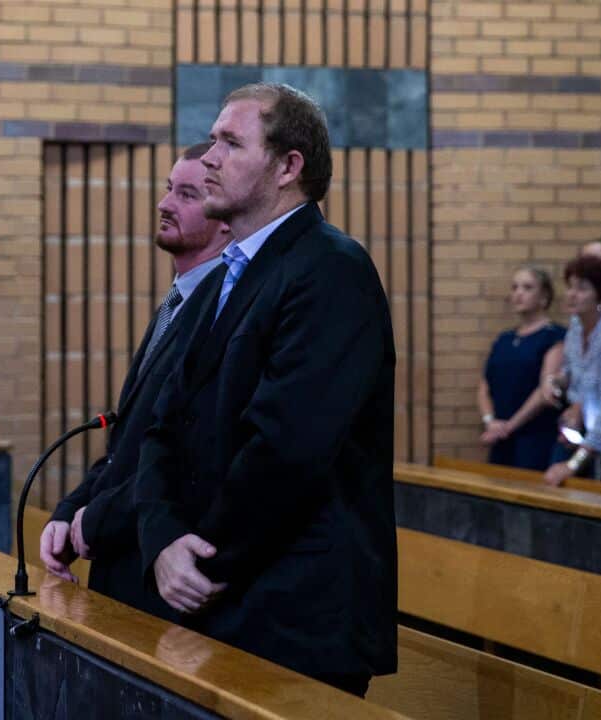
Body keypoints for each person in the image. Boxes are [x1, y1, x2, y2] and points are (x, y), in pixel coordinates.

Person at [131, 83, 397, 697]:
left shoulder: (331, 269)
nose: (209, 158)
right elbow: (159, 427)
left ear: (288, 166)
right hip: (221, 598)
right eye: (214, 140)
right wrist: (162, 542)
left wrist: (197, 561)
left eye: (230, 142)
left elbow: (287, 449)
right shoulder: (227, 274)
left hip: (291, 613)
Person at [38, 143, 231, 617]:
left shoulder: (221, 309)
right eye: (168, 189)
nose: (164, 204)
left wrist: (97, 520)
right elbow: (130, 445)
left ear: (224, 217)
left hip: (163, 582)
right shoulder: (177, 301)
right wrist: (68, 510)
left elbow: (186, 459)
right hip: (124, 567)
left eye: (187, 194)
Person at [543, 255, 601, 487]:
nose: (572, 294)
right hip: (585, 436)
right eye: (570, 286)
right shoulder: (576, 326)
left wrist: (573, 464)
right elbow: (573, 371)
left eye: (582, 289)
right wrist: (555, 382)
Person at [477, 267, 565, 471]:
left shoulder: (554, 336)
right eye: (514, 287)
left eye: (527, 288)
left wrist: (509, 427)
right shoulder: (504, 339)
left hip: (534, 437)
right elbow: (484, 386)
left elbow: (545, 389)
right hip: (500, 436)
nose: (518, 293)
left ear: (544, 297)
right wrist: (490, 421)